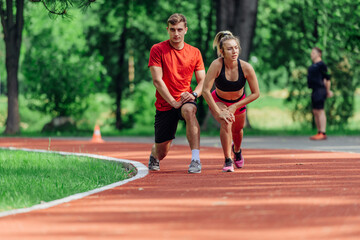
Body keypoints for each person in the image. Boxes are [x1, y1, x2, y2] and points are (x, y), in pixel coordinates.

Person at [147, 13, 206, 173]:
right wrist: (173, 102)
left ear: (186, 30)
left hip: (186, 98)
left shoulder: (194, 52)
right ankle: (154, 154)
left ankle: (195, 159)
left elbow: (203, 81)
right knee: (161, 152)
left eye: (179, 29)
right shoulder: (158, 49)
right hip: (165, 104)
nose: (176, 33)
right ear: (168, 30)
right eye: (172, 30)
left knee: (189, 110)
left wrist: (194, 94)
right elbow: (157, 80)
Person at [202, 31, 260, 172]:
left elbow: (256, 93)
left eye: (236, 47)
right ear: (221, 51)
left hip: (238, 103)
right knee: (226, 122)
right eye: (229, 48)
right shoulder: (216, 65)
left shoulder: (246, 67)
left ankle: (237, 150)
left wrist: (235, 106)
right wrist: (218, 112)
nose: (234, 51)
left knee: (238, 130)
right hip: (219, 100)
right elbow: (205, 90)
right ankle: (228, 160)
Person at [307, 47, 333, 140]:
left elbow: (327, 79)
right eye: (311, 53)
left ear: (319, 54)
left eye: (313, 53)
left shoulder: (322, 65)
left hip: (320, 89)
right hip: (314, 90)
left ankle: (323, 132)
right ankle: (319, 132)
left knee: (320, 110)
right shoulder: (313, 66)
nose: (311, 54)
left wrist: (328, 90)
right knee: (315, 111)